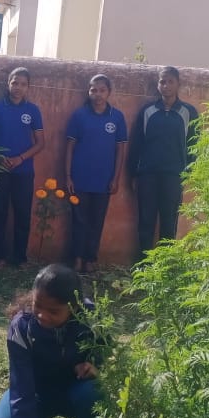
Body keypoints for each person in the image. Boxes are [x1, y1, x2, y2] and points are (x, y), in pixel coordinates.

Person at [0, 264, 108, 418]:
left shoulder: (91, 317)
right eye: (38, 305)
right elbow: (21, 390)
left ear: (73, 307)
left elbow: (107, 352)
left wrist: (95, 366)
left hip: (75, 392)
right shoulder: (21, 326)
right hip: (37, 394)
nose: (42, 315)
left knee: (94, 392)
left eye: (54, 311)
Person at [129, 66, 199, 261]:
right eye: (162, 82)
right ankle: (143, 265)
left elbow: (194, 144)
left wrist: (189, 171)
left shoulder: (188, 112)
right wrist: (133, 173)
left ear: (178, 84)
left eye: (170, 81)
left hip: (174, 175)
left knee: (169, 221)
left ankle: (164, 266)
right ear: (158, 85)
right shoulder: (148, 111)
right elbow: (137, 143)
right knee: (146, 220)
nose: (166, 85)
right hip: (147, 175)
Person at [66, 74, 127, 274]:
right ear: (88, 92)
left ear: (109, 92)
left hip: (104, 180)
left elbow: (120, 150)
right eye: (93, 90)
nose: (98, 94)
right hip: (80, 178)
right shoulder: (79, 115)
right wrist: (68, 176)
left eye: (102, 90)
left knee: (96, 221)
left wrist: (115, 178)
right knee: (79, 220)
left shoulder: (117, 117)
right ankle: (77, 258)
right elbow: (69, 147)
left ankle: (90, 259)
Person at [0, 67, 45, 267]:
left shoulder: (33, 110)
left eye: (23, 84)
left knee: (22, 214)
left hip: (24, 171)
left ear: (28, 87)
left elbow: (41, 143)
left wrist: (20, 158)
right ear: (8, 84)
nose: (18, 87)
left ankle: (20, 258)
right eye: (15, 83)